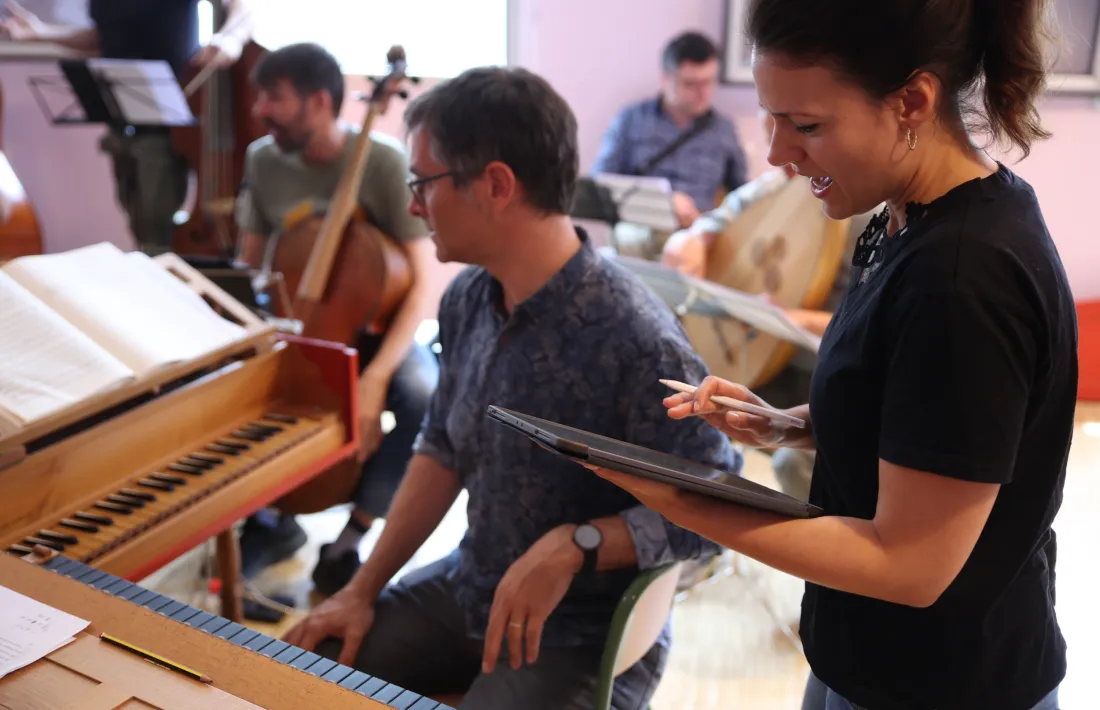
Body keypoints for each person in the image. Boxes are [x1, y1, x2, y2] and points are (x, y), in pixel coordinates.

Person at [587, 1, 1075, 708]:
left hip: (948, 681)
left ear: (911, 101)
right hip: (866, 653)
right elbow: (922, 418)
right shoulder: (903, 215)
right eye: (772, 118)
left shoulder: (964, 278)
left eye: (807, 126)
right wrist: (788, 423)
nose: (780, 154)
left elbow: (908, 565)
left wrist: (680, 500)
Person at [282, 65, 741, 709]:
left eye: (424, 184)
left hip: (581, 631)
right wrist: (360, 588)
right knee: (303, 669)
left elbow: (718, 512)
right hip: (474, 588)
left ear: (495, 185)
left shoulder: (637, 339)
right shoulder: (469, 295)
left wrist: (579, 544)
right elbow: (441, 446)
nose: (414, 206)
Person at [233, 43, 440, 596]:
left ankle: (355, 531)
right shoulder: (263, 161)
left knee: (425, 395)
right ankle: (270, 522)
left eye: (273, 98)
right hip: (296, 322)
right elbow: (249, 266)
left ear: (318, 102)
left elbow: (422, 283)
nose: (260, 110)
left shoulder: (384, 162)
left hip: (376, 330)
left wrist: (372, 381)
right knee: (236, 387)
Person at [661, 108, 878, 501]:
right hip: (758, 358)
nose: (780, 158)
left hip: (812, 371)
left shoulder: (867, 216)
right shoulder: (774, 189)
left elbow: (875, 331)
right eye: (770, 137)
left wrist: (785, 317)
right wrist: (691, 240)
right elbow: (713, 223)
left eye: (799, 136)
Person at [0, 0, 256, 256]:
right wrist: (42, 32)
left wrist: (231, 38)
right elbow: (102, 37)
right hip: (122, 117)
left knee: (158, 229)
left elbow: (242, 6)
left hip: (176, 120)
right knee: (139, 226)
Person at [591, 31, 748, 228]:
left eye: (708, 82)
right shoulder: (631, 119)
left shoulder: (723, 129)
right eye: (691, 84)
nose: (703, 93)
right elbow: (598, 185)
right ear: (666, 79)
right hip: (639, 226)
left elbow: (742, 194)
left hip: (697, 234)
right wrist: (663, 203)